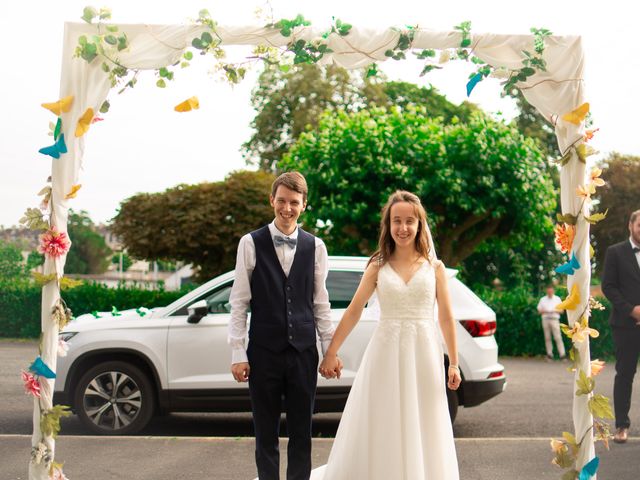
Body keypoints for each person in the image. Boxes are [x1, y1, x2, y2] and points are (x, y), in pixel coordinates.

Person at [310, 190, 461, 480]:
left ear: (419, 225)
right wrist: (330, 351)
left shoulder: (435, 268)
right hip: (385, 352)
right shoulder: (377, 266)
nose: (403, 228)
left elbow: (445, 317)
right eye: (396, 221)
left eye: (409, 221)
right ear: (388, 225)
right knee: (385, 417)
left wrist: (453, 362)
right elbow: (354, 310)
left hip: (424, 353)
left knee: (424, 419)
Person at [228, 171, 342, 480]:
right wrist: (238, 352)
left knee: (301, 434)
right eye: (281, 201)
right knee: (265, 432)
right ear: (271, 201)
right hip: (263, 352)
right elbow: (238, 301)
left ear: (304, 205)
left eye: (294, 202)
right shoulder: (249, 243)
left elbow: (320, 302)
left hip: (303, 352)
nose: (287, 209)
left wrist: (328, 350)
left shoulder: (316, 247)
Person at [601, 209, 640, 444]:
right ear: (630, 225)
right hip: (625, 325)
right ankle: (621, 426)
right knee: (625, 375)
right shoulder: (615, 252)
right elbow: (608, 286)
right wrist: (631, 310)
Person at [536, 285, 567, 361]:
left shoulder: (557, 299)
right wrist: (546, 311)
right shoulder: (543, 299)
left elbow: (562, 311)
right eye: (548, 291)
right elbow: (539, 310)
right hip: (546, 319)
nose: (549, 292)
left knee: (558, 337)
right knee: (547, 338)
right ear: (547, 291)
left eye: (551, 290)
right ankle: (549, 354)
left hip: (554, 319)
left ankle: (562, 354)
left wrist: (554, 311)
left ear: (553, 291)